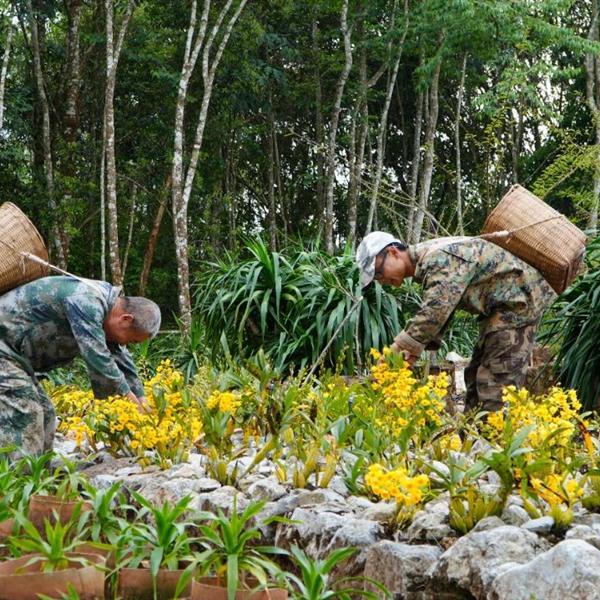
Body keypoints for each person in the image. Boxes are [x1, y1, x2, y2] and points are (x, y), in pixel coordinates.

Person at [356, 232, 556, 412]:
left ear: (393, 252)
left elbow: (435, 312)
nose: (381, 280)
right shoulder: (427, 262)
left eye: (378, 272)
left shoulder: (438, 258)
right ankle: (475, 437)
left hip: (518, 306)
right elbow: (444, 310)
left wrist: (399, 349)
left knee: (495, 387)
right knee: (474, 377)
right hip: (501, 310)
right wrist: (411, 354)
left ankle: (496, 439)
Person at [0, 275, 161, 457]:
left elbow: (121, 358)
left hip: (13, 355)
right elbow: (97, 357)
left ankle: (39, 471)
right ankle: (17, 473)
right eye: (131, 340)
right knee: (25, 412)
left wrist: (142, 400)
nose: (126, 344)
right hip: (3, 350)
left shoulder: (107, 308)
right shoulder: (86, 301)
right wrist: (131, 405)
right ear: (125, 319)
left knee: (46, 414)